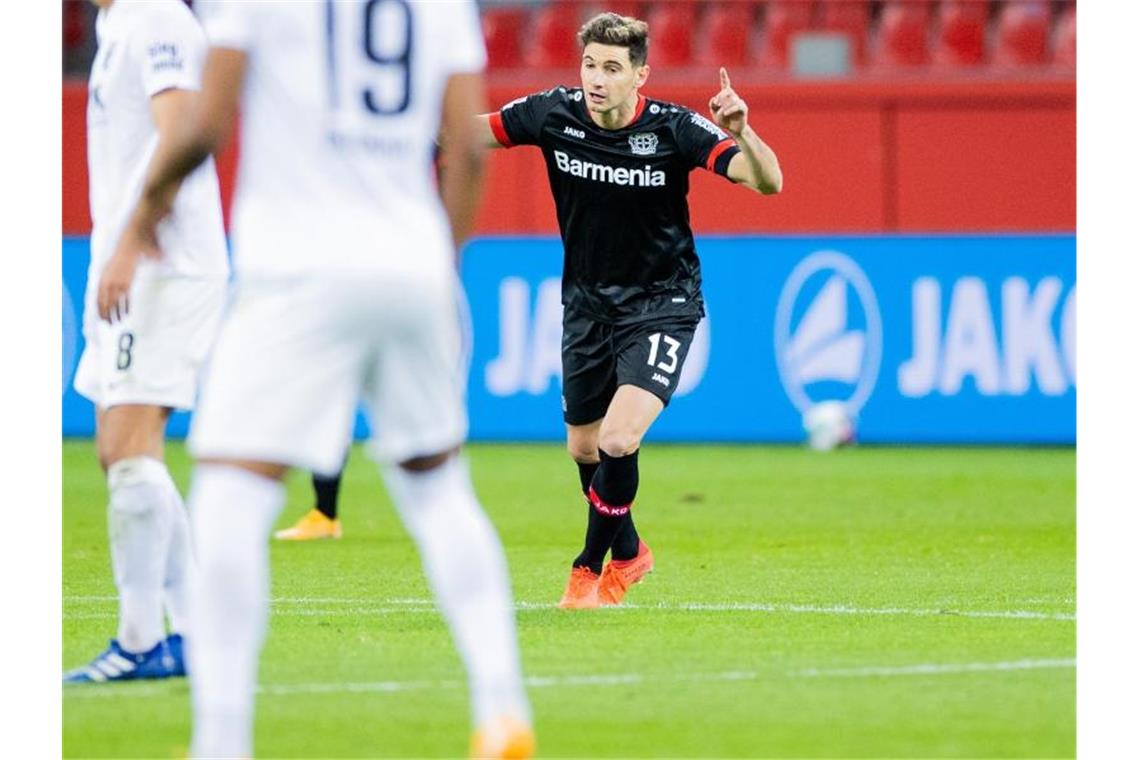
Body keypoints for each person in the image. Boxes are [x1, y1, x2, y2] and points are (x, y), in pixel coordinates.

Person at [110, 1, 533, 757]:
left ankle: (221, 739)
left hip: (296, 266)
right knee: (438, 489)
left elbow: (204, 126)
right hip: (411, 261)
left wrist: (146, 209)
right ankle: (502, 707)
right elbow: (468, 149)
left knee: (232, 494)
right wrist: (443, 268)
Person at [477, 12, 783, 609]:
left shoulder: (675, 129)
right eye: (590, 64)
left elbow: (768, 181)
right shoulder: (552, 113)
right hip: (587, 306)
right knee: (583, 448)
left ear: (640, 75)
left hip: (662, 305)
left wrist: (742, 131)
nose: (596, 78)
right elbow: (470, 132)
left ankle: (589, 572)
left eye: (612, 68)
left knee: (619, 439)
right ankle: (631, 550)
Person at [64, 0, 229, 683]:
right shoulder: (117, 23)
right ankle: (192, 634)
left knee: (130, 452)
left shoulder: (158, 17)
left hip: (165, 264)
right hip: (130, 262)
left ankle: (139, 642)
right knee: (121, 455)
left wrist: (134, 242)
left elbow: (181, 129)